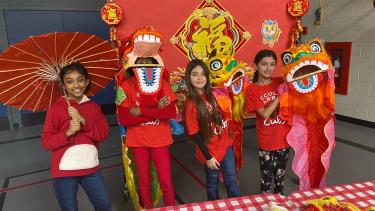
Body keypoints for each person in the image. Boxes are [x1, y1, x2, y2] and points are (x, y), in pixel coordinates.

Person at [41, 62, 112, 211]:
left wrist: (83, 122)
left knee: (104, 205)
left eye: (80, 80)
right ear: (63, 85)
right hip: (64, 172)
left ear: (86, 81)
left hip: (91, 169)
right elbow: (47, 143)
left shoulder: (94, 107)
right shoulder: (55, 109)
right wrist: (68, 132)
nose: (76, 85)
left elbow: (103, 134)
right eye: (69, 81)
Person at [117, 57, 176, 209]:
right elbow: (124, 118)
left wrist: (141, 111)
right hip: (137, 140)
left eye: (148, 61)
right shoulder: (125, 85)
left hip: (160, 139)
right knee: (143, 180)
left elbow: (170, 112)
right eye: (140, 61)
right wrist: (157, 111)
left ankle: (172, 208)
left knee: (166, 180)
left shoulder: (163, 83)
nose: (145, 64)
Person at [184, 59, 241, 201]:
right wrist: (208, 157)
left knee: (232, 181)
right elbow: (194, 133)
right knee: (212, 184)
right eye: (195, 74)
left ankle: (236, 206)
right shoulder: (191, 103)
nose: (199, 78)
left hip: (226, 145)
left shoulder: (216, 93)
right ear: (188, 78)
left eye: (203, 74)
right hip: (210, 151)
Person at [245, 49, 290, 195]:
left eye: (272, 64)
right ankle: (265, 205)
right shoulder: (252, 89)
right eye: (264, 64)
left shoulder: (280, 81)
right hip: (266, 142)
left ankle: (279, 206)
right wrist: (279, 96)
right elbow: (264, 114)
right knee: (266, 180)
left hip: (284, 140)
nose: (268, 68)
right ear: (256, 65)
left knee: (280, 179)